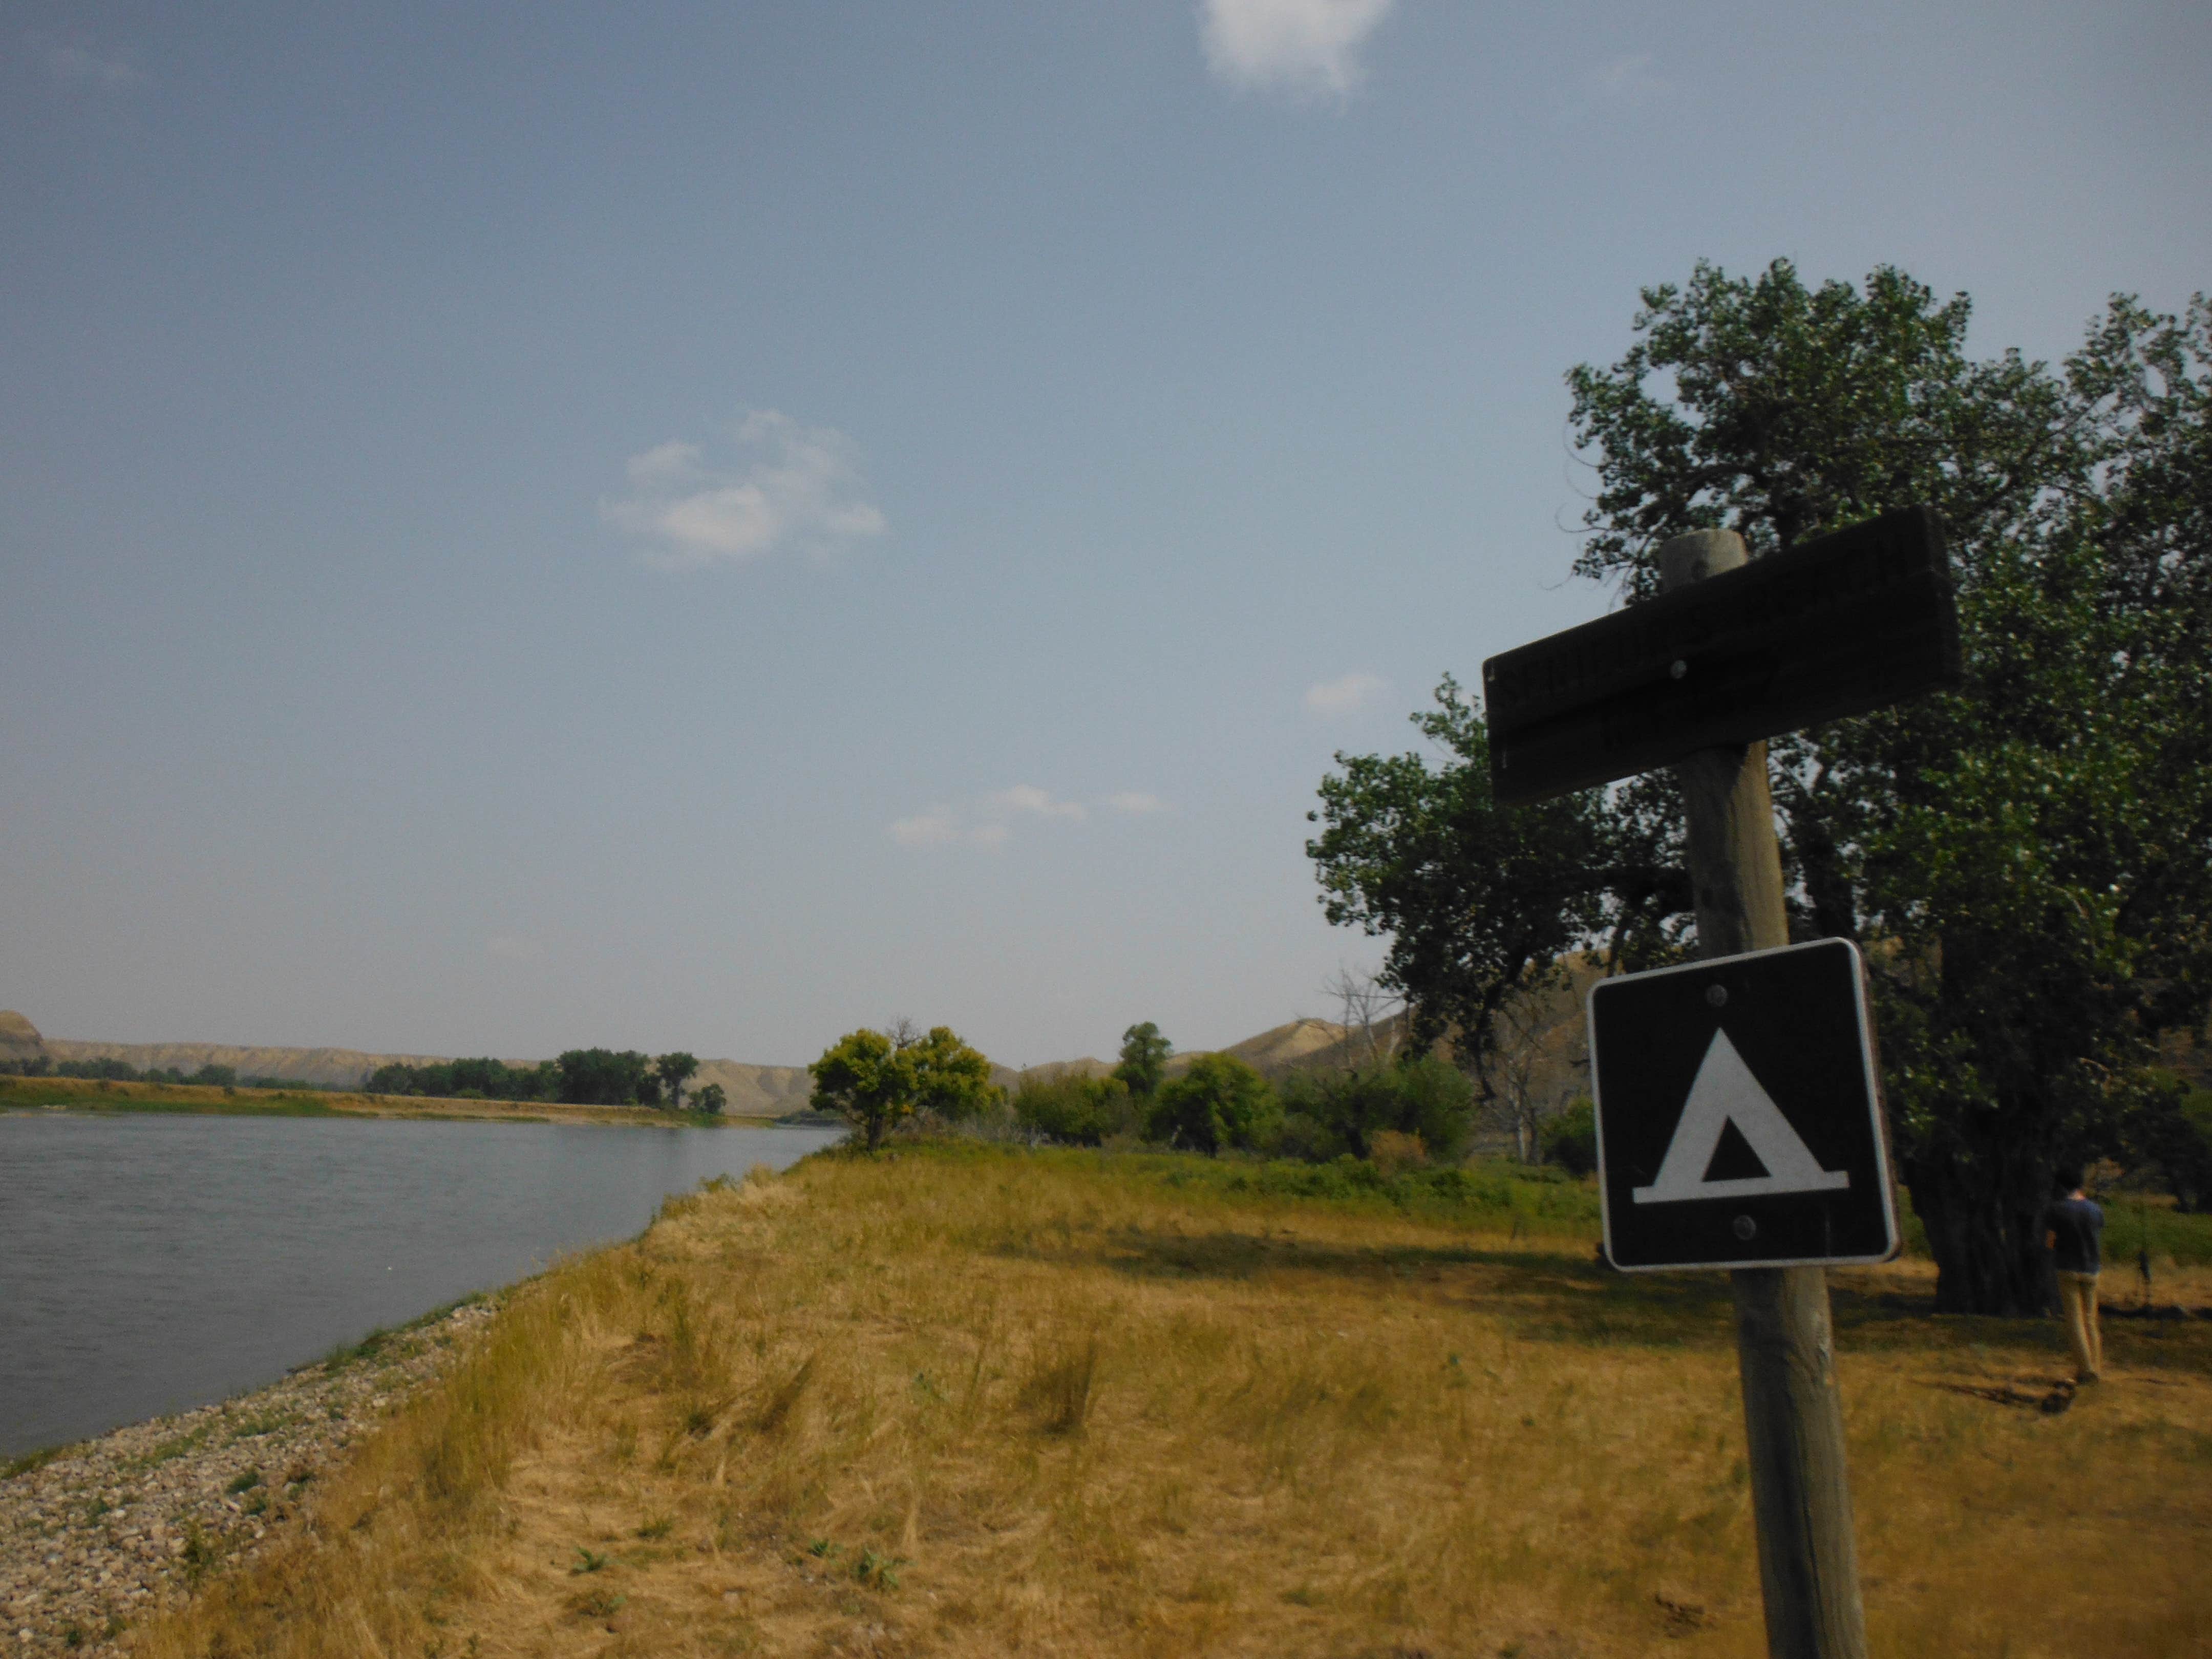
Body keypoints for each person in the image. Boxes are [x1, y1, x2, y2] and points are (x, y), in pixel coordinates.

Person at [2045, 1166, 2105, 1384]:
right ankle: (2096, 1367)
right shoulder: (2095, 1210)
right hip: (2092, 1269)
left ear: (2061, 1186)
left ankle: (2085, 1369)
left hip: (2068, 1268)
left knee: (2074, 1319)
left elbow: (2050, 1242)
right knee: (2091, 1319)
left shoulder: (2057, 1210)